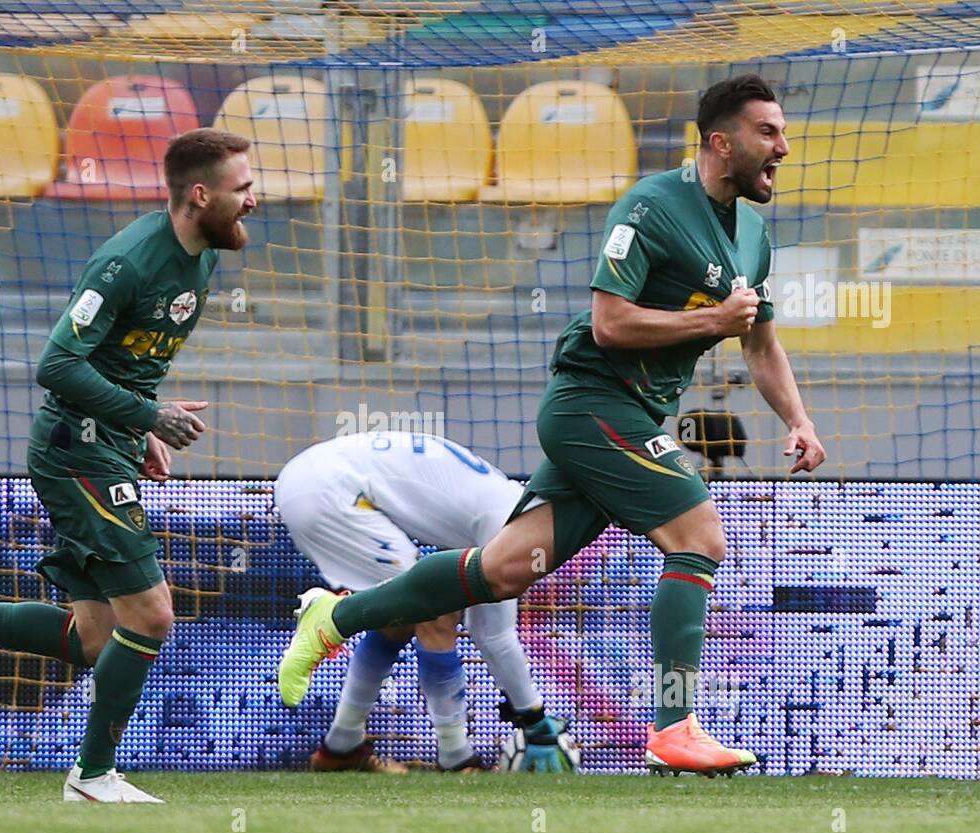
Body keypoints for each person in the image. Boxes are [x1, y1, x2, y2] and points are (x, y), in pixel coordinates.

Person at [278, 75, 827, 775]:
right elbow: (610, 320)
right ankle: (674, 723)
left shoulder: (754, 235)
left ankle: (335, 617)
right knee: (698, 537)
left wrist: (799, 419)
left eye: (782, 131)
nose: (783, 145)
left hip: (626, 417)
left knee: (504, 570)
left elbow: (759, 341)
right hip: (591, 403)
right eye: (768, 133)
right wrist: (709, 321)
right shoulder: (652, 206)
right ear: (721, 143)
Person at [0, 129, 257, 802]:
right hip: (76, 451)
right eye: (244, 187)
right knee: (153, 616)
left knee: (97, 637)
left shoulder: (201, 258)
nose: (256, 199)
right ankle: (93, 776)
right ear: (202, 194)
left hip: (106, 444)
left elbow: (127, 360)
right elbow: (55, 363)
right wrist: (146, 417)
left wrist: (141, 428)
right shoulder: (126, 263)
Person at [274, 431, 571, 773]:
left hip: (310, 480)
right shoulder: (508, 522)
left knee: (398, 617)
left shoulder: (504, 498)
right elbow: (492, 635)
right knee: (434, 611)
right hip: (330, 491)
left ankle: (341, 747)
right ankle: (456, 758)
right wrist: (534, 719)